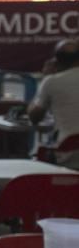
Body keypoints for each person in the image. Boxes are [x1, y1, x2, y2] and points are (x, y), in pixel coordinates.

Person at [30, 38, 79, 168]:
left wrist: (44, 78)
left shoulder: (51, 82)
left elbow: (34, 117)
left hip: (67, 155)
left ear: (56, 61)